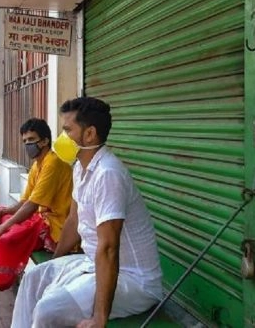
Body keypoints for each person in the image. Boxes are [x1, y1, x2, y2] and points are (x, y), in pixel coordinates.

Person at [11, 97, 162, 327]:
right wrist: (56, 264)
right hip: (92, 264)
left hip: (132, 281)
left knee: (47, 310)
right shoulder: (80, 170)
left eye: (67, 130)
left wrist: (99, 319)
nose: (62, 138)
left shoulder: (108, 174)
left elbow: (109, 248)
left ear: (90, 134)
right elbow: (73, 220)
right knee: (34, 277)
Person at [0, 118, 73, 291]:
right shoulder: (37, 165)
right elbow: (24, 201)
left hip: (56, 227)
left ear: (45, 141)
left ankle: (8, 276)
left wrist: (2, 228)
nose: (27, 145)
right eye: (25, 141)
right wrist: (3, 213)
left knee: (6, 238)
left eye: (31, 140)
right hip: (42, 218)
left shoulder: (52, 163)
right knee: (2, 213)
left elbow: (31, 205)